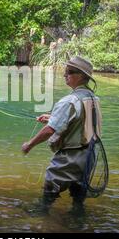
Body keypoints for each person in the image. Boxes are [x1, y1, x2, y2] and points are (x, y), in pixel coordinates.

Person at [21, 55, 102, 214]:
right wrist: (53, 118)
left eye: (69, 72)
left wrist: (29, 145)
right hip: (90, 155)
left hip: (70, 157)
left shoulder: (69, 100)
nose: (65, 75)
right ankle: (77, 219)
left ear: (81, 76)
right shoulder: (93, 98)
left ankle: (41, 212)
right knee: (78, 193)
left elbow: (50, 131)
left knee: (51, 186)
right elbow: (82, 121)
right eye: (66, 71)